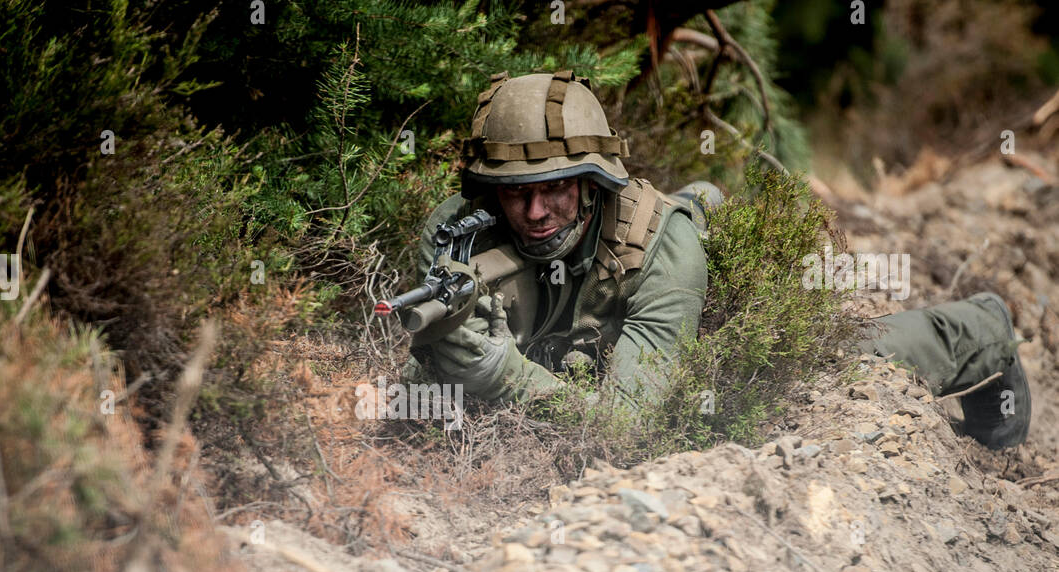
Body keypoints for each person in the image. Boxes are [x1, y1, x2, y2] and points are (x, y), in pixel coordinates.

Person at [405, 70, 1030, 449]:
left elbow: (626, 430)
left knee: (833, 365)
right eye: (516, 193)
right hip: (589, 354)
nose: (535, 212)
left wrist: (505, 377)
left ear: (594, 183)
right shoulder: (459, 239)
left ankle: (983, 327)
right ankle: (700, 196)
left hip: (707, 334)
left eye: (556, 189)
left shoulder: (660, 251)